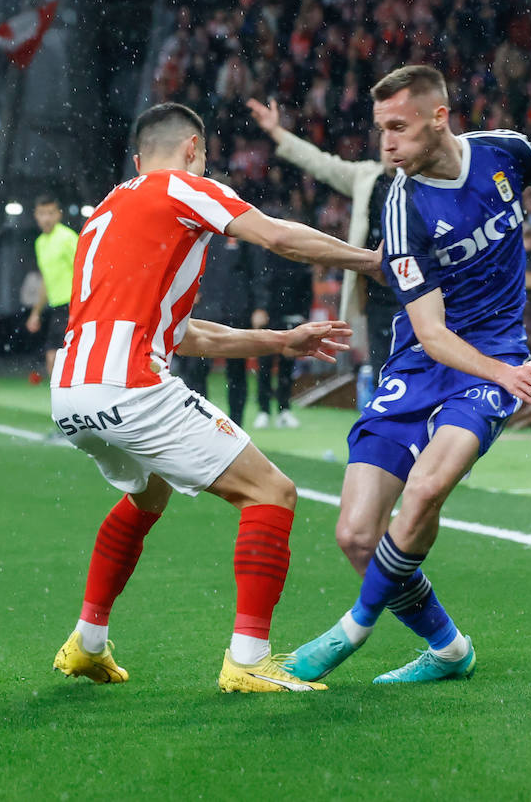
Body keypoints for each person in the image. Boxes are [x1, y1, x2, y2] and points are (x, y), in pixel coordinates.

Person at [281, 66, 531, 685]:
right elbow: (432, 334)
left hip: (493, 355)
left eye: (398, 127)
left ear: (439, 117)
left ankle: (354, 628)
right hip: (427, 360)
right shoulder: (402, 207)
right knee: (355, 536)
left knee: (423, 491)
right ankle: (449, 651)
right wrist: (506, 374)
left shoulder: (504, 152)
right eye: (379, 130)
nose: (386, 143)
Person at [50, 102, 382, 693]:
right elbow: (278, 237)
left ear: (135, 158)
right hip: (130, 386)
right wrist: (371, 260)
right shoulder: (183, 188)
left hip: (71, 393)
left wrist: (280, 341)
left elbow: (186, 333)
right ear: (191, 149)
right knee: (272, 493)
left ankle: (87, 643)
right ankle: (249, 658)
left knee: (147, 496)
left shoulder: (106, 210)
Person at [247, 97, 401, 378]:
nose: (389, 145)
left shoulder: (422, 180)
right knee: (385, 374)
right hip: (379, 294)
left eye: (396, 134)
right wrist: (276, 131)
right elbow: (321, 163)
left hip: (418, 292)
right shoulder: (366, 176)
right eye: (383, 137)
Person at [172, 232, 263, 425]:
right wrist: (185, 291)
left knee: (236, 371)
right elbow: (182, 263)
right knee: (196, 369)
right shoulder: (199, 229)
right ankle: (197, 422)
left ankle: (236, 425)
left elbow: (257, 269)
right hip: (206, 307)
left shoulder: (242, 230)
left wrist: (260, 306)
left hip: (237, 311)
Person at [251, 221, 313, 429]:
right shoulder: (267, 255)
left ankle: (284, 410)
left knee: (287, 368)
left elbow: (307, 288)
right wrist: (261, 309)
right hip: (270, 317)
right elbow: (260, 282)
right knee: (265, 366)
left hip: (291, 317)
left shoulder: (301, 258)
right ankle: (263, 410)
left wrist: (303, 315)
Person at [25, 196, 78, 382]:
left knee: (58, 360)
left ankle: (72, 406)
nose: (46, 218)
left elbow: (86, 271)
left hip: (75, 306)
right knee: (53, 361)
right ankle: (65, 407)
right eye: (42, 213)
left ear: (59, 215)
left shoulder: (68, 238)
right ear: (35, 216)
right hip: (58, 309)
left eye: (50, 213)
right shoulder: (40, 243)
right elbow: (46, 282)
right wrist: (35, 313)